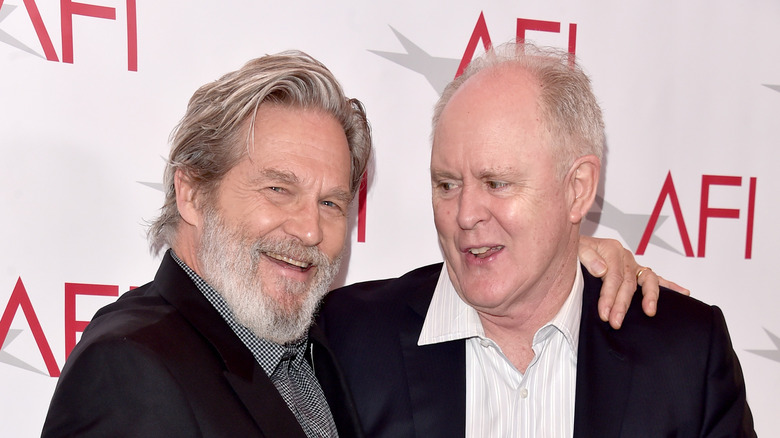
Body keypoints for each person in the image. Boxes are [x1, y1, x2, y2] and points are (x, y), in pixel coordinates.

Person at [43, 50, 671, 437]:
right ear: (191, 192)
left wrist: (565, 255)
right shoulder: (130, 367)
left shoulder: (317, 337)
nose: (310, 231)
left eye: (331, 203)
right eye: (278, 190)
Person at [317, 42, 756, 437]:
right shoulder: (346, 338)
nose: (465, 215)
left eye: (497, 183)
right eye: (447, 185)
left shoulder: (687, 356)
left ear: (577, 189)